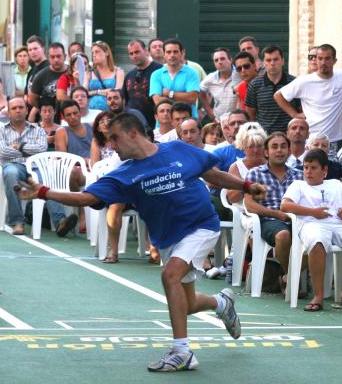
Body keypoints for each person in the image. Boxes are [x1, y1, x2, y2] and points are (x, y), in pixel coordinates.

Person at [16, 113, 267, 372]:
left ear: (133, 133)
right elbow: (86, 199)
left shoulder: (178, 149)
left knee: (170, 276)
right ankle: (222, 303)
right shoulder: (124, 174)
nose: (111, 145)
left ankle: (182, 352)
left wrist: (247, 186)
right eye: (108, 140)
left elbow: (212, 174)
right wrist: (43, 192)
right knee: (187, 303)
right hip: (169, 238)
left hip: (202, 226)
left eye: (115, 138)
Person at [281, 148, 342, 311]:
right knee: (318, 241)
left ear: (324, 170)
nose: (308, 171)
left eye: (313, 168)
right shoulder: (299, 185)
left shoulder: (335, 184)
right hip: (311, 224)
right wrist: (313, 212)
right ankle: (318, 296)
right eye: (305, 167)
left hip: (339, 224)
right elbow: (285, 205)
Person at [275, 44, 342, 156]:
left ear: (334, 60)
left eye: (327, 58)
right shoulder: (304, 81)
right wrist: (294, 114)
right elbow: (278, 95)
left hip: (335, 140)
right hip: (311, 139)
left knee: (331, 172)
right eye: (320, 58)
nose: (323, 62)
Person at [0, 97, 77, 236]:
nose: (18, 110)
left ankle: (60, 222)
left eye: (21, 107)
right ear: (9, 112)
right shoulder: (0, 131)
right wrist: (28, 150)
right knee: (11, 173)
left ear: (27, 110)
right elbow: (2, 151)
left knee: (47, 178)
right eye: (14, 108)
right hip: (13, 165)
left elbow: (42, 149)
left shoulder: (37, 130)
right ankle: (17, 221)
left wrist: (19, 146)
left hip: (36, 167)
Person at [245, 132, 302, 288]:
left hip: (297, 220)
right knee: (283, 235)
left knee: (319, 237)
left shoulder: (299, 175)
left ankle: (288, 278)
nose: (279, 150)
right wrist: (276, 214)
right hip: (268, 220)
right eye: (274, 147)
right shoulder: (255, 174)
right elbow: (250, 205)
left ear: (289, 151)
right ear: (266, 152)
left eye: (283, 146)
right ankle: (288, 278)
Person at [245, 45, 297, 134]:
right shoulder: (255, 84)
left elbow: (300, 109)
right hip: (264, 137)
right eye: (268, 60)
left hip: (289, 136)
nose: (272, 63)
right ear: (263, 63)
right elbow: (250, 113)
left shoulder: (294, 83)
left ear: (282, 61)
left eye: (276, 59)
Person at [149, 38, 199, 117]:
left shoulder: (192, 73)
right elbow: (158, 101)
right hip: (164, 123)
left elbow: (192, 98)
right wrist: (183, 99)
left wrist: (169, 93)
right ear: (164, 54)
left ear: (182, 53)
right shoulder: (156, 74)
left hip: (188, 123)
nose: (172, 55)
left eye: (175, 52)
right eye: (168, 52)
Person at [122, 40, 163, 127]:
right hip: (133, 124)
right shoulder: (129, 75)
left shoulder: (160, 70)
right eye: (131, 53)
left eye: (137, 52)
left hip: (154, 123)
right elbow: (125, 100)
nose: (134, 56)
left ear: (146, 51)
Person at [225, 123, 267, 204]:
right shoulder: (236, 167)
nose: (255, 150)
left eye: (259, 146)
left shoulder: (271, 164)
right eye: (251, 146)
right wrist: (248, 185)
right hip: (244, 212)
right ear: (243, 148)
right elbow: (231, 199)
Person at [28, 42, 68, 118]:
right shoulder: (41, 75)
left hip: (69, 117)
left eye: (58, 56)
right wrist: (43, 108)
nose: (56, 60)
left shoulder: (72, 73)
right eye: (52, 57)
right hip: (48, 118)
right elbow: (32, 98)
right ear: (48, 57)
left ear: (65, 56)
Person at [199, 48, 240, 122]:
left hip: (238, 120)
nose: (220, 62)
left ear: (230, 60)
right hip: (219, 121)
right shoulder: (211, 78)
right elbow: (200, 91)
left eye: (222, 59)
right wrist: (210, 114)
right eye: (216, 60)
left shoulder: (240, 74)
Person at [87, 41, 124, 112]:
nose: (94, 55)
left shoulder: (118, 71)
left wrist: (93, 92)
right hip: (91, 111)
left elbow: (117, 91)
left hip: (111, 111)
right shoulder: (89, 73)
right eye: (93, 53)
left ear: (106, 53)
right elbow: (84, 93)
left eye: (97, 52)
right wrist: (98, 91)